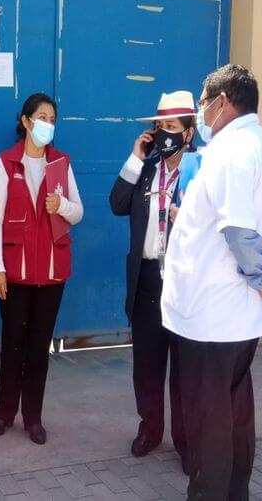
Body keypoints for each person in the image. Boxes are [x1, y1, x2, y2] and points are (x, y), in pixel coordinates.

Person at [161, 64, 262, 500]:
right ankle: (234, 493)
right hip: (233, 318)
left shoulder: (232, 151)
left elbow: (238, 229)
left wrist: (259, 278)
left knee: (209, 420)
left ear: (223, 102)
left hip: (213, 316)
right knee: (234, 413)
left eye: (203, 100)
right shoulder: (259, 147)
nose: (200, 110)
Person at [0, 93, 84, 445]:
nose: (47, 124)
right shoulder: (7, 163)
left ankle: (33, 417)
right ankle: (4, 412)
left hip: (51, 273)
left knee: (39, 347)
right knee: (12, 344)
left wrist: (62, 205)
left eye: (52, 119)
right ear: (26, 121)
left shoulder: (60, 163)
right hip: (14, 274)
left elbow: (78, 212)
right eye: (41, 117)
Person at [110, 91, 197, 472]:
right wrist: (135, 156)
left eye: (172, 128)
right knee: (146, 363)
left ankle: (186, 439)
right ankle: (150, 428)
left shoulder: (200, 171)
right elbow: (116, 204)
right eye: (159, 127)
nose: (164, 134)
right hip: (146, 279)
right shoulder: (146, 167)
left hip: (182, 280)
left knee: (183, 367)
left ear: (189, 133)